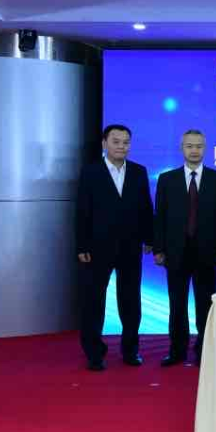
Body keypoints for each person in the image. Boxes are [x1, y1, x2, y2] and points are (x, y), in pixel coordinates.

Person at [75, 124, 154, 371]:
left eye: (126, 142)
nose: (121, 146)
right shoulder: (90, 172)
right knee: (93, 301)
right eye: (116, 141)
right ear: (104, 143)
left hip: (131, 246)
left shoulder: (139, 171)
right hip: (96, 248)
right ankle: (94, 353)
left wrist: (150, 239)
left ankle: (130, 350)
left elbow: (146, 208)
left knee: (130, 300)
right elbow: (82, 211)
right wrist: (81, 245)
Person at [153, 129, 216, 366]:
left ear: (205, 148)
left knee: (206, 306)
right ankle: (177, 351)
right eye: (189, 146)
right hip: (175, 252)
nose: (194, 150)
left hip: (207, 253)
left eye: (198, 146)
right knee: (177, 305)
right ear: (181, 148)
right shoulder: (167, 179)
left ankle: (205, 351)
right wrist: (158, 248)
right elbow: (160, 216)